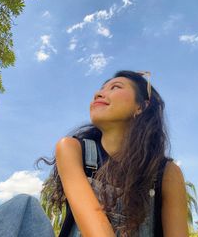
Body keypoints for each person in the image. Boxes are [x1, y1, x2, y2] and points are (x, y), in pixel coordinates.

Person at [37, 70, 189, 236]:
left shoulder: (167, 172)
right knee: (22, 207)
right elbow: (95, 227)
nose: (98, 94)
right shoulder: (71, 149)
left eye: (115, 87)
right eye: (101, 89)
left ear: (141, 107)